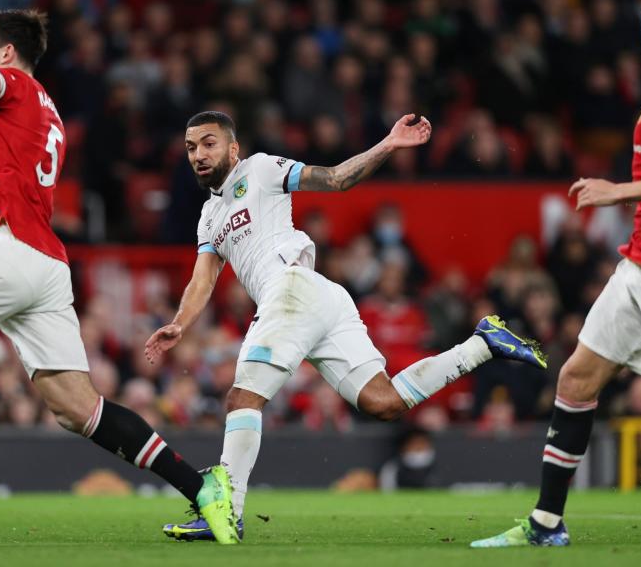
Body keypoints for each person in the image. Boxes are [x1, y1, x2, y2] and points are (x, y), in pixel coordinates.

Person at [0, 9, 239, 544]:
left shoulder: (11, 85)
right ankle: (202, 489)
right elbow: (0, 207)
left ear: (7, 53)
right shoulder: (43, 116)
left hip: (7, 255)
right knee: (80, 408)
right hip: (45, 266)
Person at [147, 110, 547, 541]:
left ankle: (226, 513)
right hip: (317, 299)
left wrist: (389, 144)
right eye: (191, 148)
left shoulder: (259, 169)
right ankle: (483, 345)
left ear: (232, 148)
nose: (199, 155)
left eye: (208, 143)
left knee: (243, 397)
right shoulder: (209, 216)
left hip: (292, 287)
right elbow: (203, 277)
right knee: (384, 402)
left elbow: (336, 178)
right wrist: (179, 323)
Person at [471, 0, 641, 548]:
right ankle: (546, 523)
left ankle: (547, 522)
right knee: (576, 377)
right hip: (640, 264)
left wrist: (618, 192)